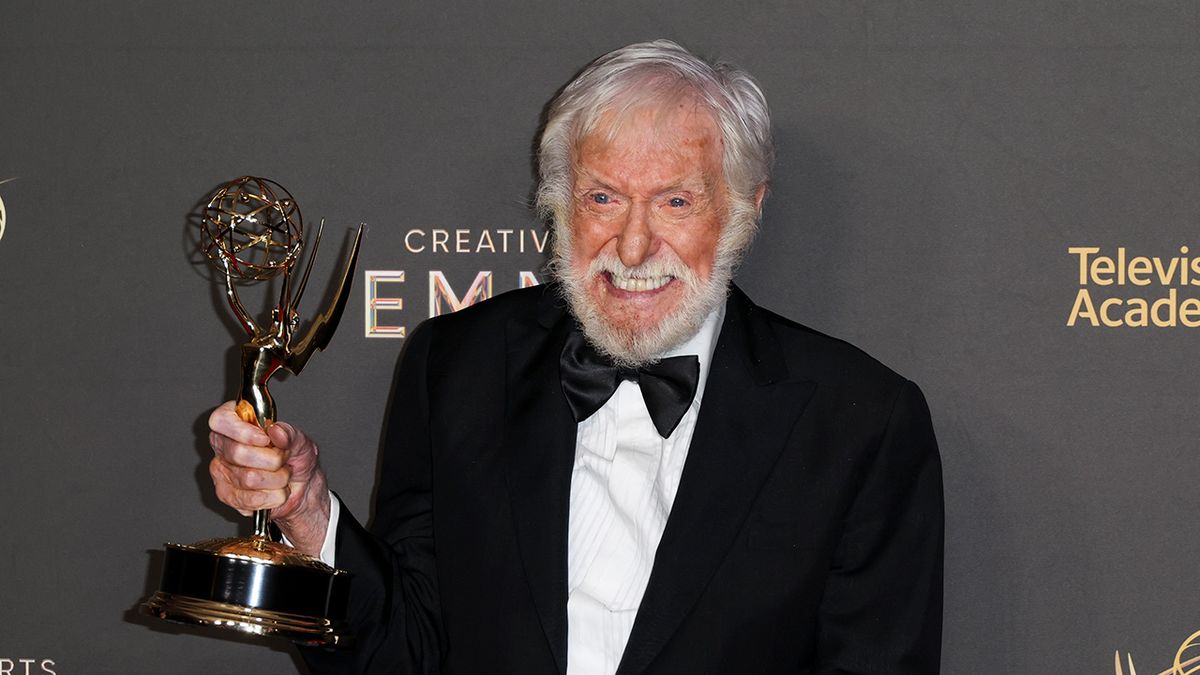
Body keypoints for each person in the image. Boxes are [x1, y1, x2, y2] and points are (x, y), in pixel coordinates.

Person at [208, 39, 944, 674]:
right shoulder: (457, 368)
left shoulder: (859, 424)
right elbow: (403, 654)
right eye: (602, 198)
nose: (631, 246)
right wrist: (307, 517)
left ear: (745, 211)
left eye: (675, 202)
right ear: (558, 203)